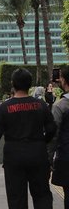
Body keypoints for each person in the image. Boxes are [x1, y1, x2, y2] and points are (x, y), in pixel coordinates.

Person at [0, 68, 56, 209]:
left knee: (16, 197)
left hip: (14, 156)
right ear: (30, 84)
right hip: (38, 154)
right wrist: (42, 142)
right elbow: (52, 129)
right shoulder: (41, 105)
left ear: (13, 84)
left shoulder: (5, 107)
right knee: (42, 195)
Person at [48, 68, 69, 208]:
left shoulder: (61, 105)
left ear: (64, 80)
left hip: (66, 157)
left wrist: (48, 159)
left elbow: (53, 136)